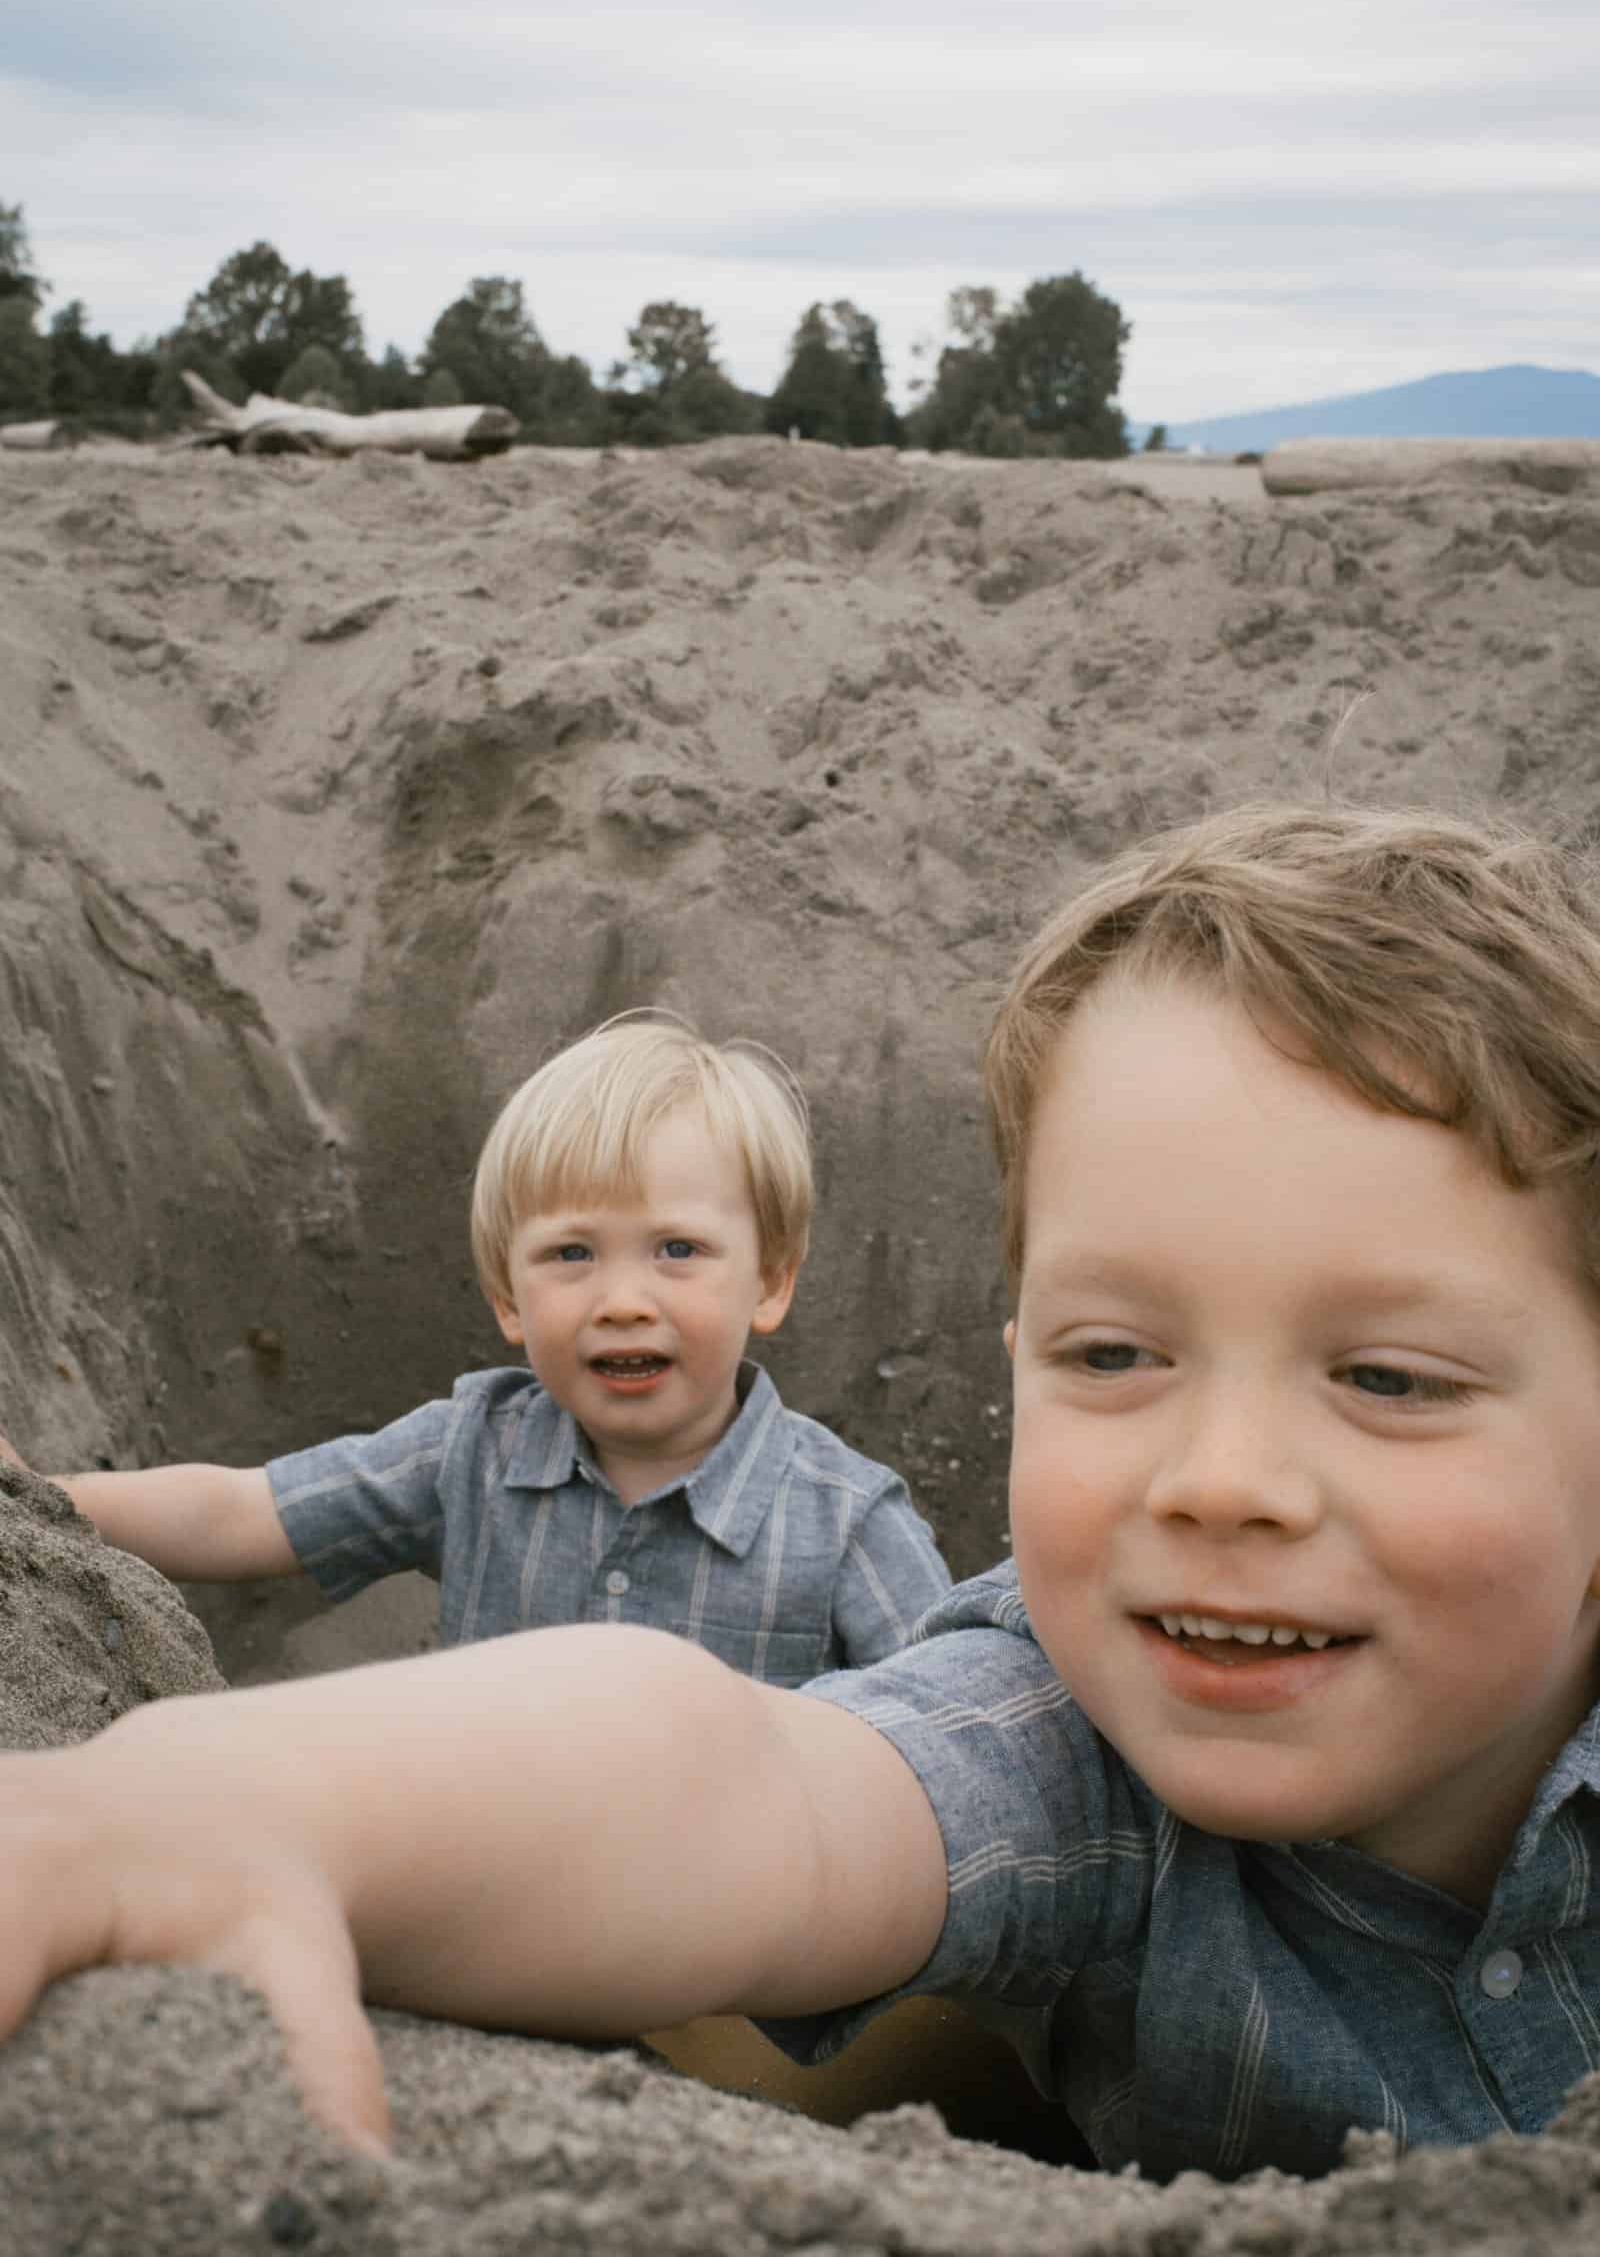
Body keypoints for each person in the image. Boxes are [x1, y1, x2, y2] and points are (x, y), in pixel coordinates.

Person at [5, 800, 1600, 2183]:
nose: (1223, 1484)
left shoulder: (840, 1515)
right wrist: (210, 1797)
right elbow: (757, 1777)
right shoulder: (1076, 1747)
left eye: (1387, 1379)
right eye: (1115, 1354)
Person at [29, 1014, 951, 1685]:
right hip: (494, 1915)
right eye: (570, 1255)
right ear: (509, 1297)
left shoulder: (845, 1525)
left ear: (771, 1282)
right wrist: (35, 1499)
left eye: (678, 1250)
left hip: (752, 1939)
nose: (623, 1302)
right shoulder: (473, 1450)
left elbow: (952, 1728)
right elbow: (244, 1512)